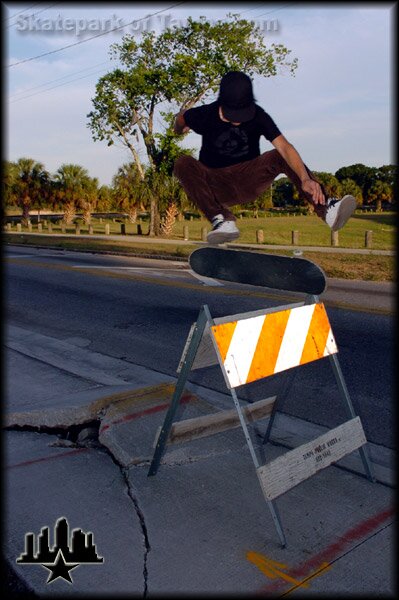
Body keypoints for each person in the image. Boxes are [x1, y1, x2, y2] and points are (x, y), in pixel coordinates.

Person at [173, 71, 356, 244]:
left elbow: (284, 146)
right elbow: (181, 119)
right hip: (215, 186)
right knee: (182, 162)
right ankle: (221, 220)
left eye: (242, 114)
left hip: (248, 179)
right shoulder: (203, 114)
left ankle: (327, 210)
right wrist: (180, 129)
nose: (238, 120)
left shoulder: (258, 115)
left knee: (279, 155)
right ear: (222, 104)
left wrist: (305, 178)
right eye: (233, 115)